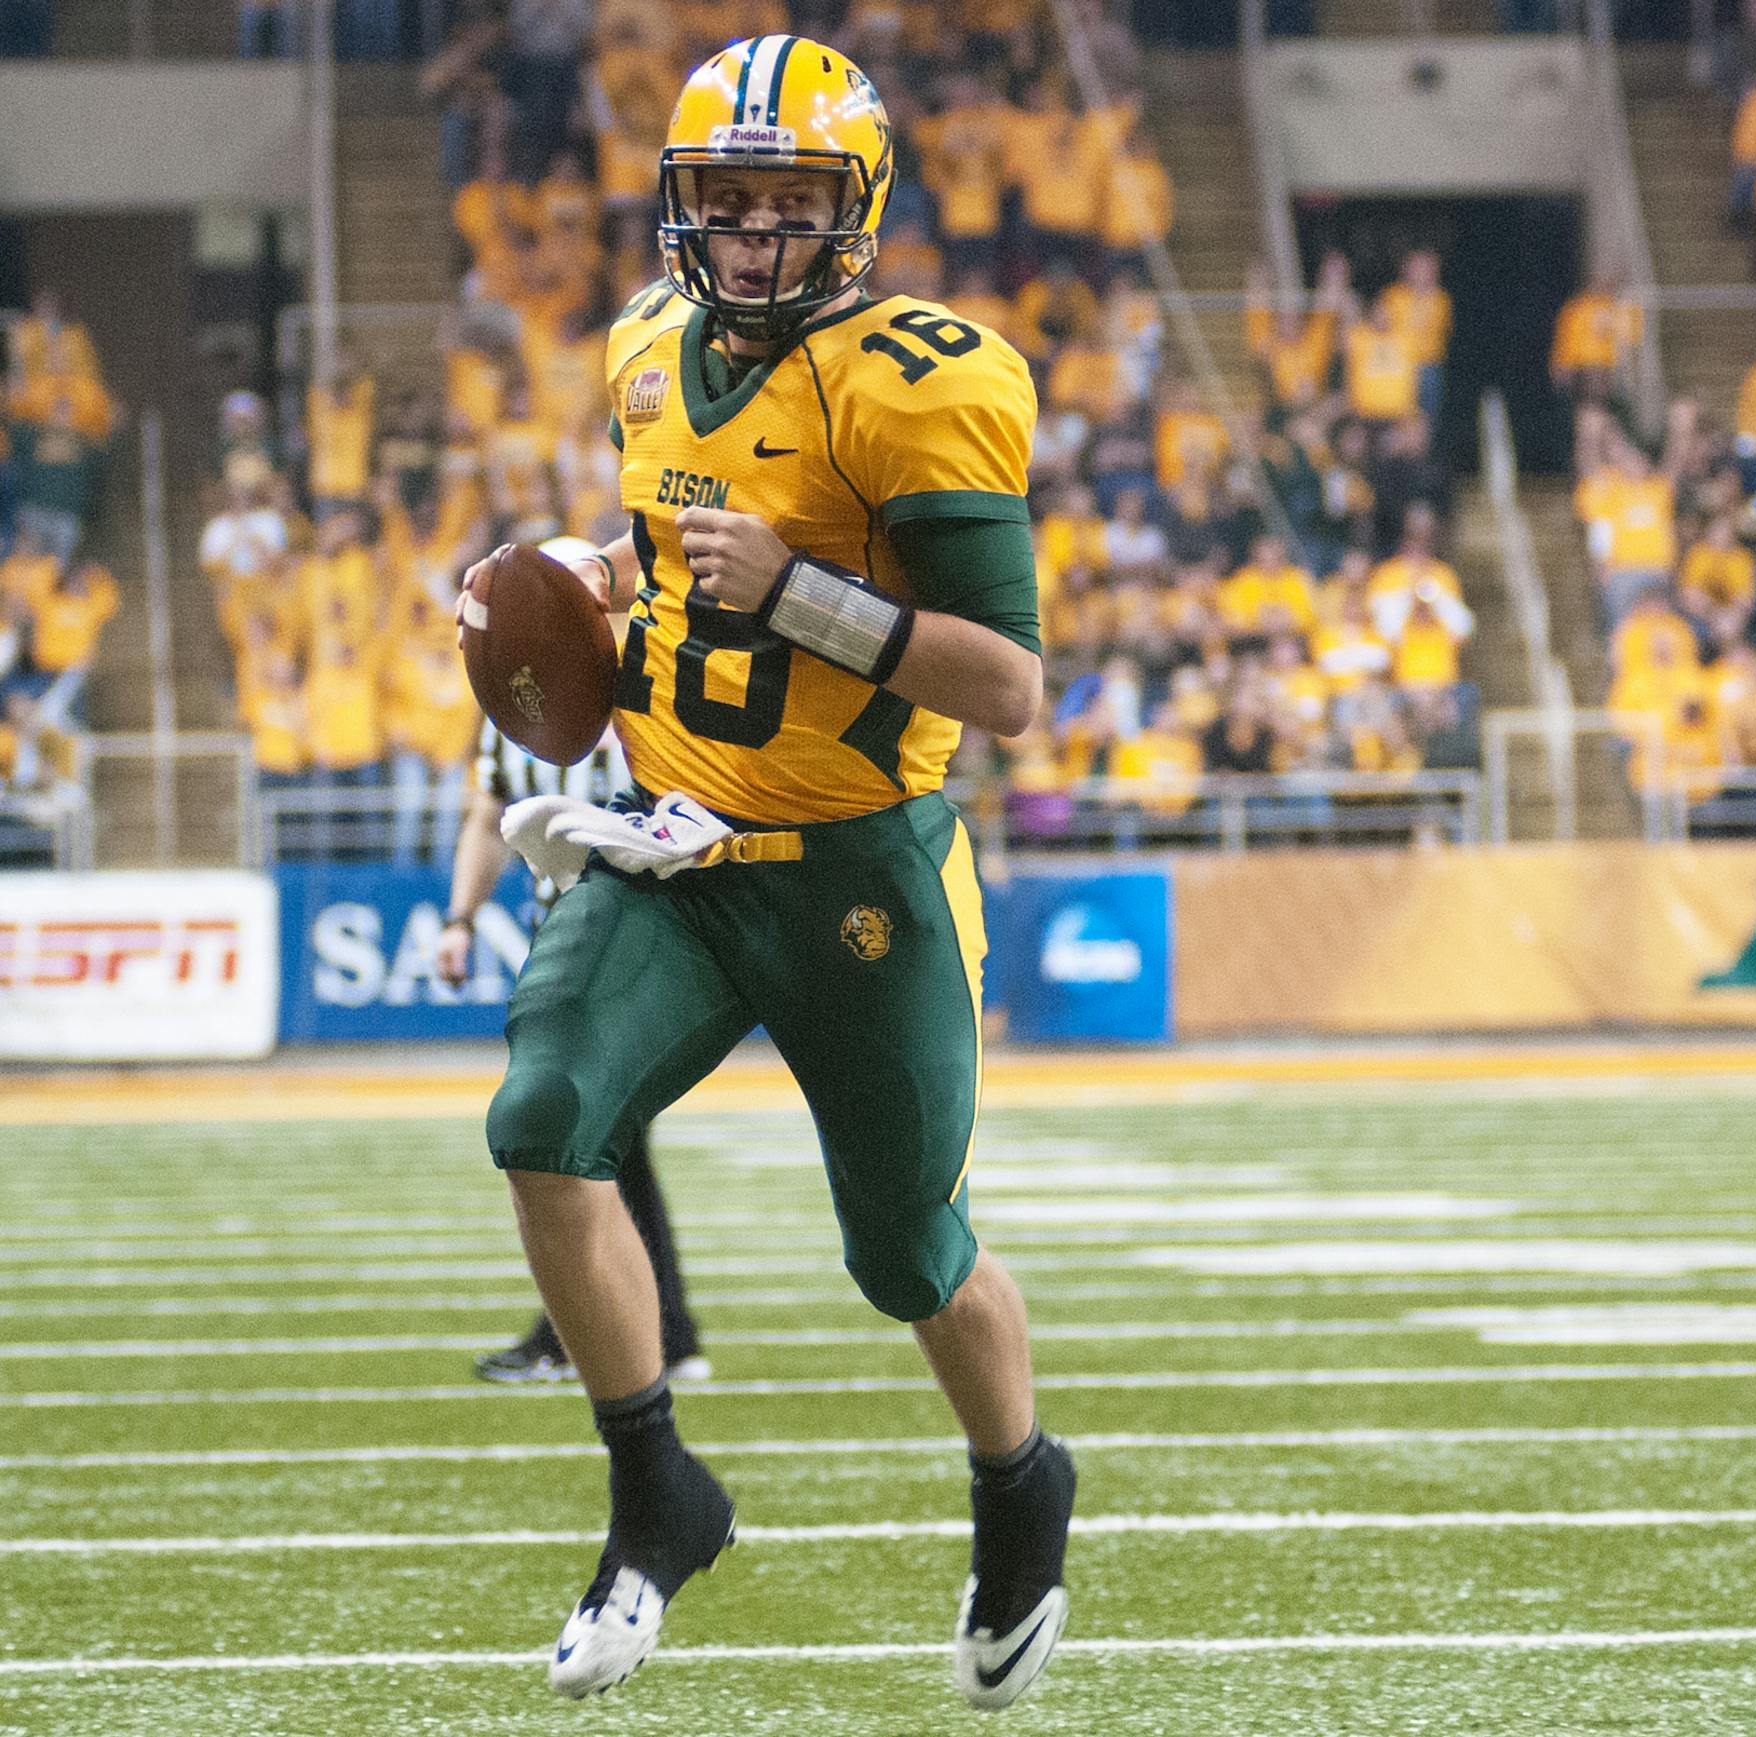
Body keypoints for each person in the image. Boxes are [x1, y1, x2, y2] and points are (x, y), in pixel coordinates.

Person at [455, 36, 1073, 1710]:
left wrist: (802, 592)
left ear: (852, 210)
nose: (751, 234)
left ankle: (1023, 1484)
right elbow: (664, 545)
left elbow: (1009, 686)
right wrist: (577, 579)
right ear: (682, 206)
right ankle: (656, 1489)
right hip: (676, 842)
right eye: (726, 199)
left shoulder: (923, 379)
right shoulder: (647, 345)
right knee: (543, 1116)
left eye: (789, 201)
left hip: (858, 870)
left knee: (908, 1254)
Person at [437, 713, 709, 1386]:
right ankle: (665, 1331)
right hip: (558, 944)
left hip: (639, 937)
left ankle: (583, 1332)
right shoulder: (508, 710)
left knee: (583, 1132)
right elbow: (486, 814)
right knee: (610, 1142)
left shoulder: (649, 684)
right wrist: (459, 918)